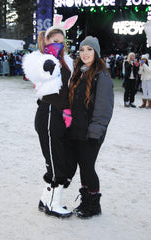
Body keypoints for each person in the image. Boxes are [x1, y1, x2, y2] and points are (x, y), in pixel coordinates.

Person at [22, 14, 78, 218]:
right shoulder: (40, 59)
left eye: (62, 42)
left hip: (62, 114)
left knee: (64, 159)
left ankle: (46, 199)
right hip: (48, 113)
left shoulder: (67, 61)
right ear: (46, 40)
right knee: (56, 162)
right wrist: (50, 57)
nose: (59, 46)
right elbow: (37, 73)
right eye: (55, 41)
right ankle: (54, 204)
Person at [68, 36, 114, 218]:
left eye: (89, 49)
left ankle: (94, 205)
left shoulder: (101, 76)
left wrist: (95, 131)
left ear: (96, 52)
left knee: (88, 167)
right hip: (78, 129)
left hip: (92, 131)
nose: (85, 53)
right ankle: (85, 200)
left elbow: (104, 109)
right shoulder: (79, 72)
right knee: (82, 166)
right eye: (82, 50)